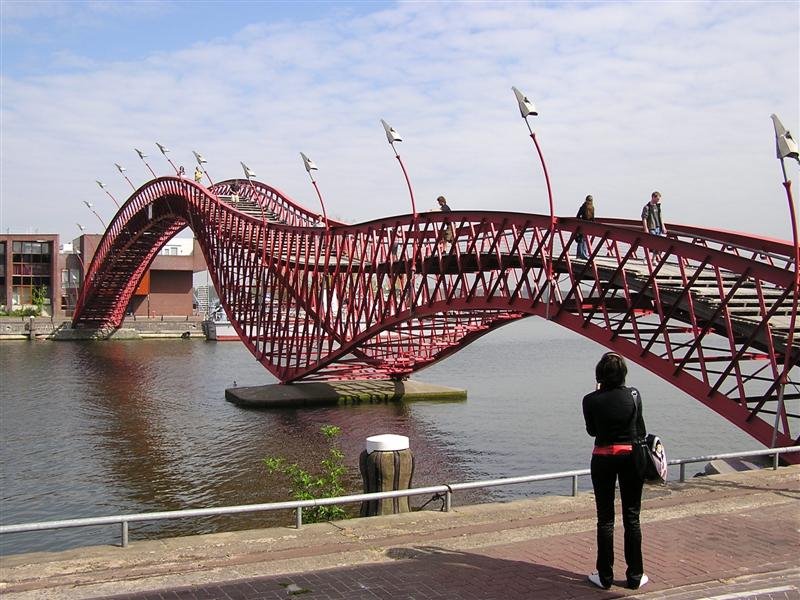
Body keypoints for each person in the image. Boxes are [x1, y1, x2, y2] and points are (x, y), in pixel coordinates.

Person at [582, 352, 648, 591]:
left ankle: (605, 576)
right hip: (631, 457)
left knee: (605, 519)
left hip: (602, 458)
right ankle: (635, 576)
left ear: (599, 375)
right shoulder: (634, 395)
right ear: (623, 374)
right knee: (632, 517)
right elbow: (640, 429)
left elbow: (592, 431)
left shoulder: (590, 400)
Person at [576, 195, 595, 259]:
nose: (589, 201)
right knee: (581, 239)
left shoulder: (592, 208)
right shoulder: (583, 207)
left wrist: (593, 225)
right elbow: (578, 216)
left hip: (588, 225)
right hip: (582, 225)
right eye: (588, 200)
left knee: (585, 240)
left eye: (590, 200)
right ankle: (580, 255)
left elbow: (592, 218)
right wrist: (580, 222)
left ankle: (582, 254)